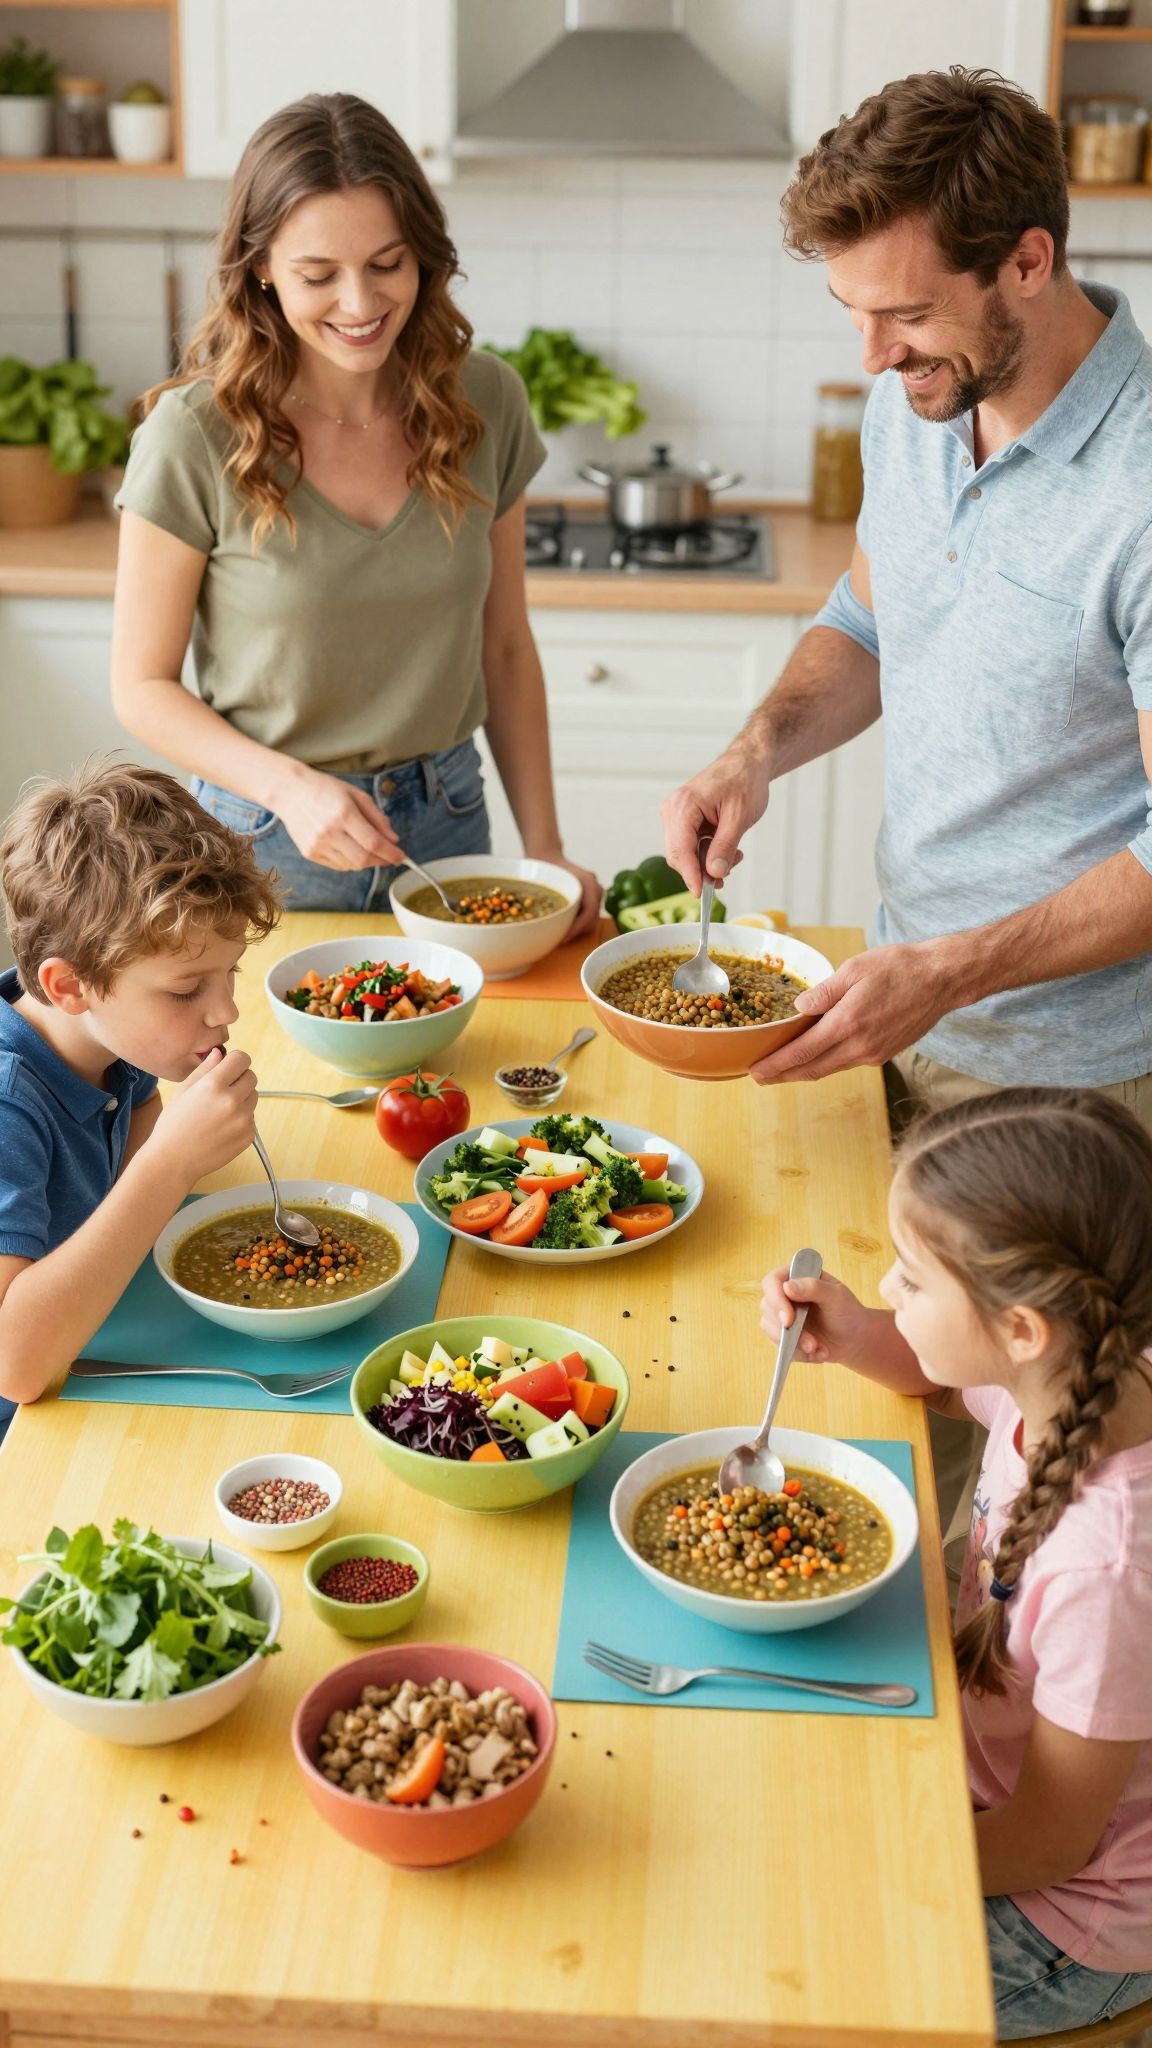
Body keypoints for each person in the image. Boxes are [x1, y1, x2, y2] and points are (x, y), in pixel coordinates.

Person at [661, 68, 1152, 1126]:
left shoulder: (1141, 489)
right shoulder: (919, 402)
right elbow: (869, 621)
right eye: (855, 313)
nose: (877, 356)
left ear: (1028, 261)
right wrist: (755, 752)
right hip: (900, 1009)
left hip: (1073, 1084)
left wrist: (950, 972)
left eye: (908, 314)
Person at [111, 91, 598, 930]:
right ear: (261, 267)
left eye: (386, 263)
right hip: (265, 840)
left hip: (450, 825)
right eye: (318, 275)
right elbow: (141, 687)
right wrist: (289, 788)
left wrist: (545, 846)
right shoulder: (193, 434)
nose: (360, 302)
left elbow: (506, 648)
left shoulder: (486, 401)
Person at [762, 1089, 1152, 2040]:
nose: (887, 1286)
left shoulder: (1107, 1572)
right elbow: (948, 1384)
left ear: (1020, 1328)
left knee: (783, 1973)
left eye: (911, 1278)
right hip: (987, 1780)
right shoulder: (1076, 1367)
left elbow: (1050, 1844)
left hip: (1073, 1914)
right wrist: (858, 1332)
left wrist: (858, 1862)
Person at [0, 762, 279, 1441]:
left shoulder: (114, 1039)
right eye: (186, 990)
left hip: (103, 1338)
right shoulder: (9, 1104)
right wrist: (169, 1166)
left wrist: (171, 1142)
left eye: (230, 973)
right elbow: (14, 1367)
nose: (227, 1011)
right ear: (69, 987)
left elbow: (139, 1126)